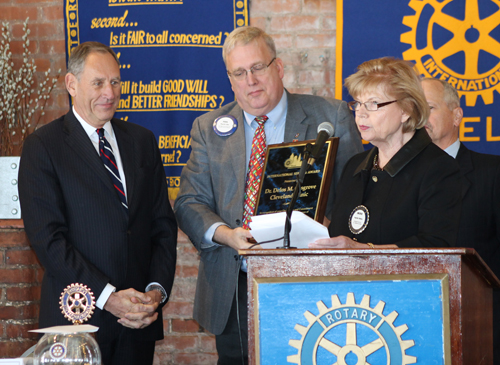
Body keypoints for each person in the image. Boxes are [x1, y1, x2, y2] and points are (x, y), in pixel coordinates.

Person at [174, 26, 363, 364]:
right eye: (239, 73)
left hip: (312, 281)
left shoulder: (330, 116)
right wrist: (227, 235)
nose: (251, 80)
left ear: (278, 68)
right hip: (236, 284)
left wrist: (330, 226)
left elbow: (357, 194)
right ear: (230, 81)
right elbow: (189, 202)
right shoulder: (208, 127)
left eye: (258, 67)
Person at [18, 42, 178, 365]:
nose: (110, 92)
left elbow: (162, 226)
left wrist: (155, 294)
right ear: (71, 84)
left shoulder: (142, 141)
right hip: (76, 326)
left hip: (137, 326)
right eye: (99, 83)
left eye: (116, 82)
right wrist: (108, 298)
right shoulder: (42, 147)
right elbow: (49, 242)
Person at [310, 57, 461, 250]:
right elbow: (341, 234)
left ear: (406, 110)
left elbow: (435, 247)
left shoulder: (439, 168)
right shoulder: (354, 166)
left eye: (373, 103)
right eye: (358, 103)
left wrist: (363, 250)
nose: (361, 113)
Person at [421, 77, 500, 364]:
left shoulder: (492, 173)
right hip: (413, 325)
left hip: (480, 330)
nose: (420, 118)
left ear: (456, 115)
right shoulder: (395, 180)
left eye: (428, 107)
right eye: (414, 108)